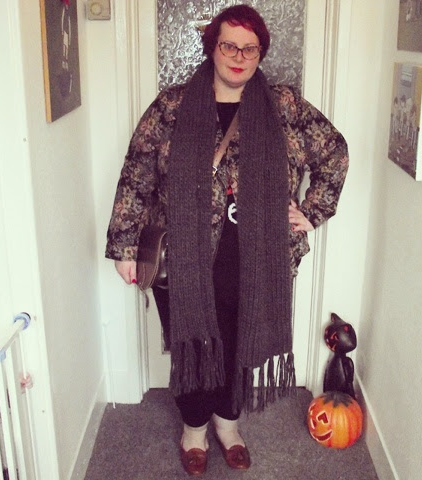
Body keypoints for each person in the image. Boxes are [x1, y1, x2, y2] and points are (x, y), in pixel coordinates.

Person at [105, 4, 348, 476]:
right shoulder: (172, 106)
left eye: (249, 48)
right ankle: (194, 428)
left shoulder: (284, 106)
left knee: (239, 344)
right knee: (194, 344)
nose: (239, 56)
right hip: (184, 256)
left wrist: (312, 212)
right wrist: (125, 246)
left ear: (261, 53)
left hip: (257, 257)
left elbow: (334, 153)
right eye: (229, 45)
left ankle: (228, 425)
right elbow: (137, 173)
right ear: (212, 48)